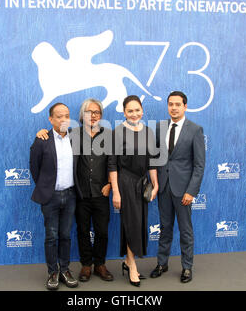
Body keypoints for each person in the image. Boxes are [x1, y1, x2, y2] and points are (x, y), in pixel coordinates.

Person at [36, 99, 114, 282]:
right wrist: (42, 133)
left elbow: (113, 162)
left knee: (102, 231)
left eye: (97, 112)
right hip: (80, 193)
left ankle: (100, 264)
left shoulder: (109, 135)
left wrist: (110, 184)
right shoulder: (72, 134)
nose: (93, 115)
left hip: (102, 192)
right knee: (82, 230)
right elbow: (54, 139)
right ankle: (86, 265)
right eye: (89, 112)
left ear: (101, 115)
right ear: (82, 115)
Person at [150, 91, 205, 283]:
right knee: (165, 228)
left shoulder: (195, 129)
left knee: (185, 230)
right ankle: (162, 263)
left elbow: (199, 165)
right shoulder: (159, 127)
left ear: (185, 106)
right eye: (170, 104)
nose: (173, 108)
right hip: (164, 187)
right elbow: (155, 158)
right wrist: (155, 184)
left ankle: (187, 267)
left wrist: (191, 191)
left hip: (183, 190)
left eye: (177, 104)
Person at [29, 102, 81, 291]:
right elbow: (34, 168)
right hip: (50, 197)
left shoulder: (75, 137)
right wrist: (45, 187)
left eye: (66, 115)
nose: (64, 119)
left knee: (66, 235)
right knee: (51, 236)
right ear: (51, 119)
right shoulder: (42, 140)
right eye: (59, 116)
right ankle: (53, 272)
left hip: (71, 195)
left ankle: (65, 269)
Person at [108, 95, 159, 287]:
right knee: (131, 223)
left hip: (142, 183)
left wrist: (155, 183)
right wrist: (116, 192)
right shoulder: (117, 132)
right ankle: (133, 267)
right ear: (124, 112)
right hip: (125, 183)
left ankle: (128, 260)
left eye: (137, 110)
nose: (134, 113)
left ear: (142, 111)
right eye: (130, 110)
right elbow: (112, 165)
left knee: (138, 224)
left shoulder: (148, 131)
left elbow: (152, 161)